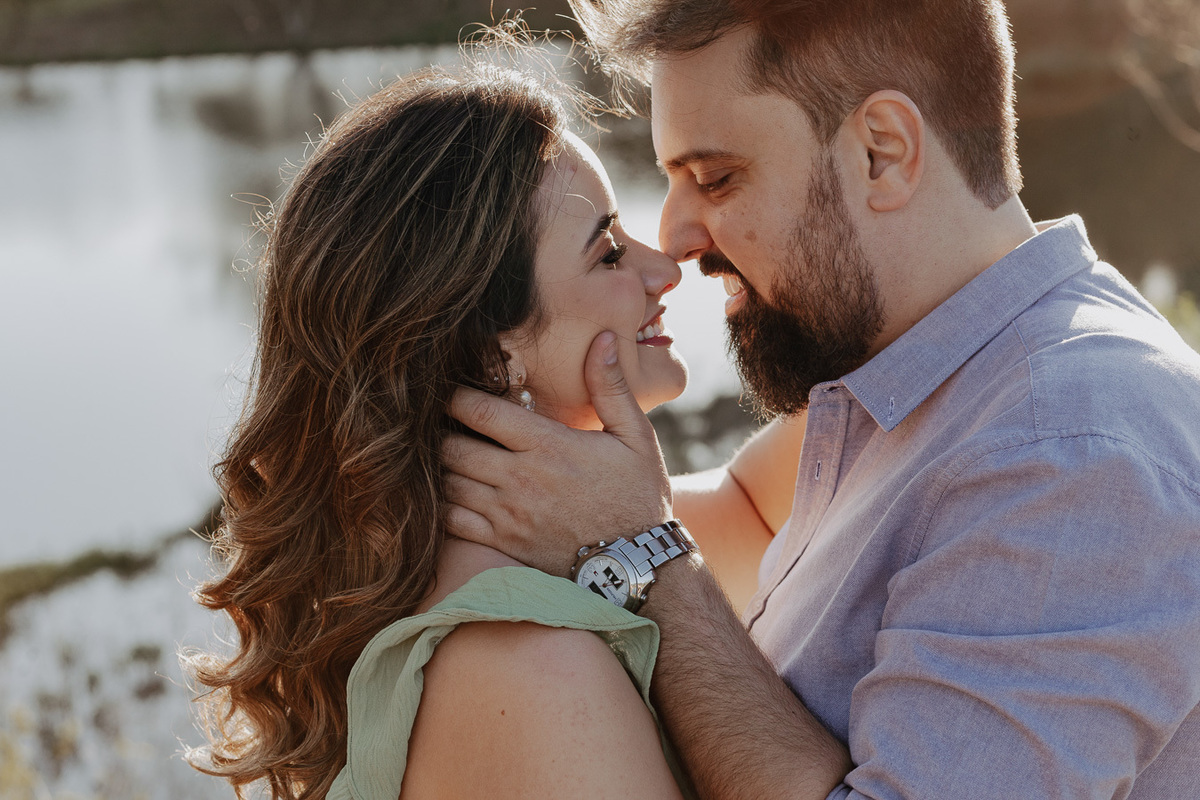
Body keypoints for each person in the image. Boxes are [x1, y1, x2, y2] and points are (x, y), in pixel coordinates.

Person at [442, 1, 1200, 798]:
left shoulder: (1064, 451)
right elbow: (733, 508)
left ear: (882, 152)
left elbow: (652, 531)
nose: (674, 238)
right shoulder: (933, 376)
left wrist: (644, 557)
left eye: (716, 178)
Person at [186, 43, 698, 799]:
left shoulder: (426, 555)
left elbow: (772, 492)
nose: (666, 270)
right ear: (494, 356)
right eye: (610, 254)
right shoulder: (538, 675)